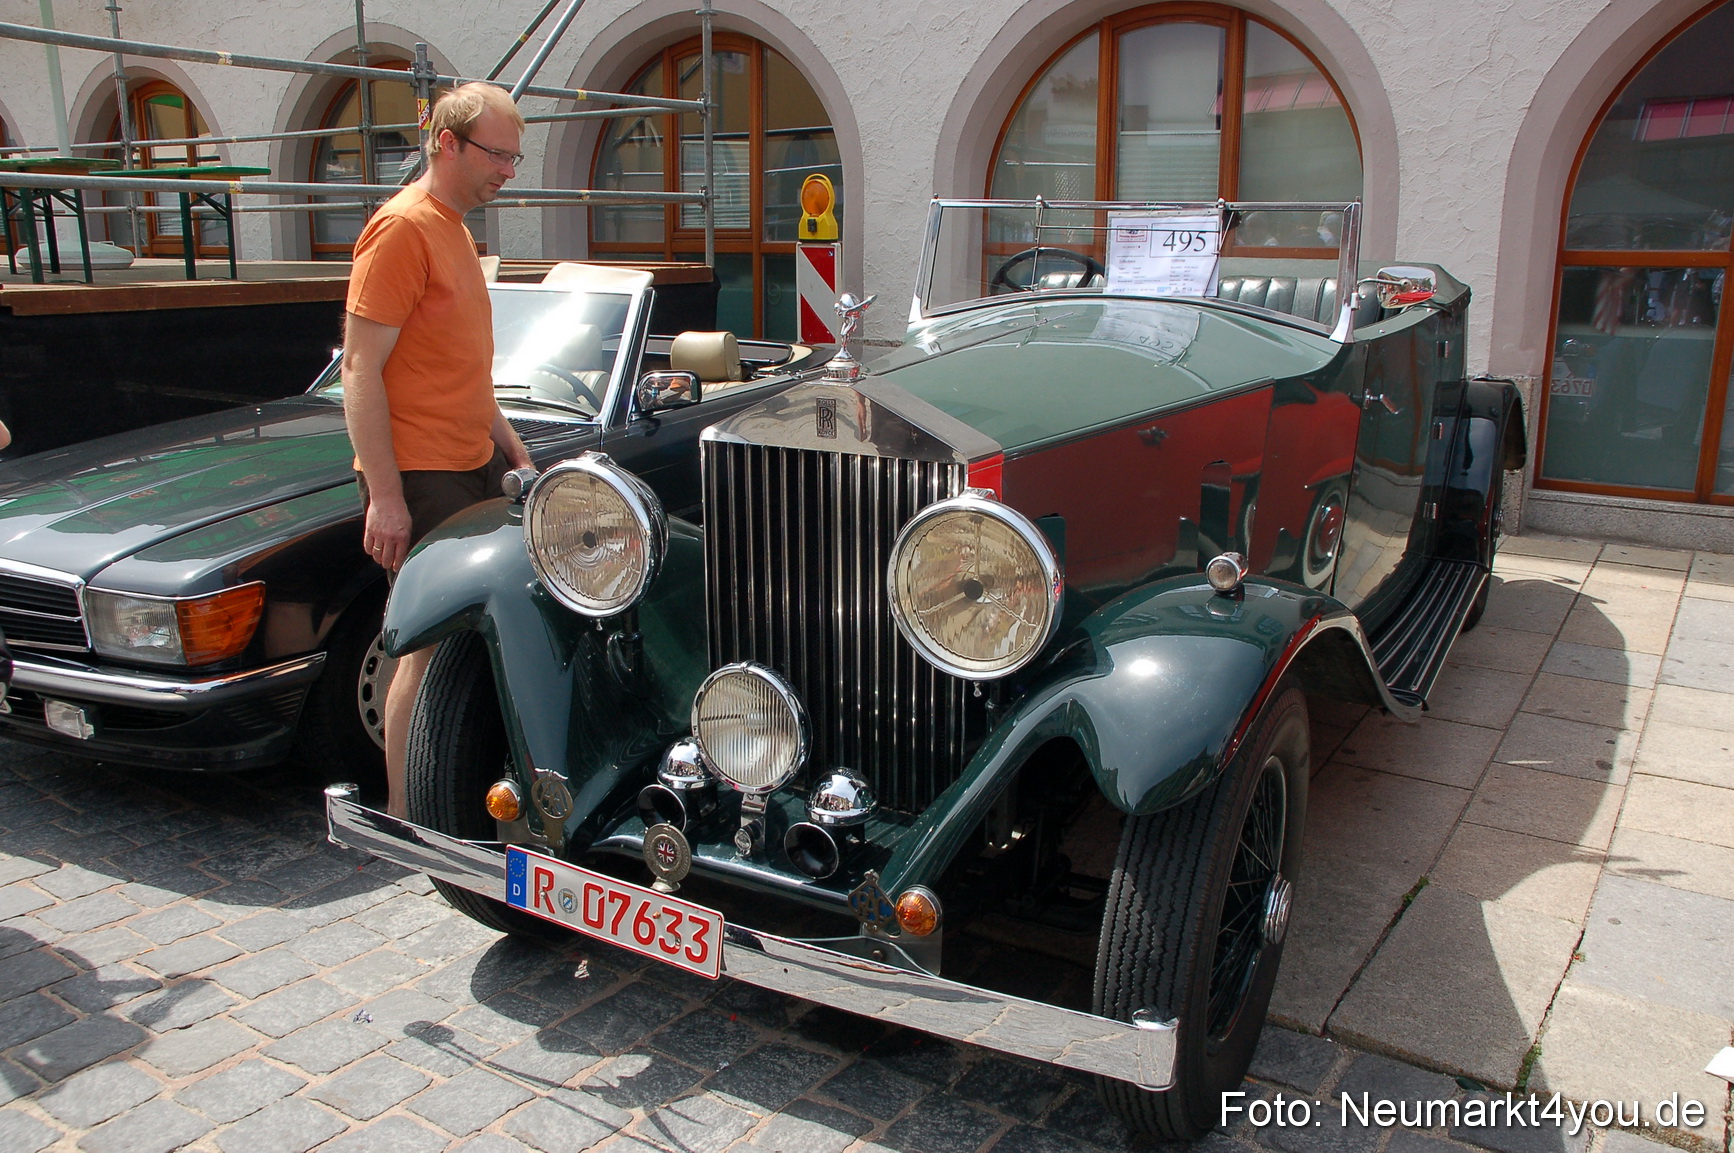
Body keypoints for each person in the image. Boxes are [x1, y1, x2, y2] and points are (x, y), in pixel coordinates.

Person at [341, 81, 533, 817]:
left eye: (515, 158)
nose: (508, 171)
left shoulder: (453, 227)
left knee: (471, 635)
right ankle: (402, 813)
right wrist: (386, 494)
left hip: (469, 461)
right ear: (445, 143)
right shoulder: (401, 230)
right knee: (420, 644)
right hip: (419, 471)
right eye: (497, 154)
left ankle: (451, 785)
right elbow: (359, 369)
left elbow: (465, 373)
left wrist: (513, 454)